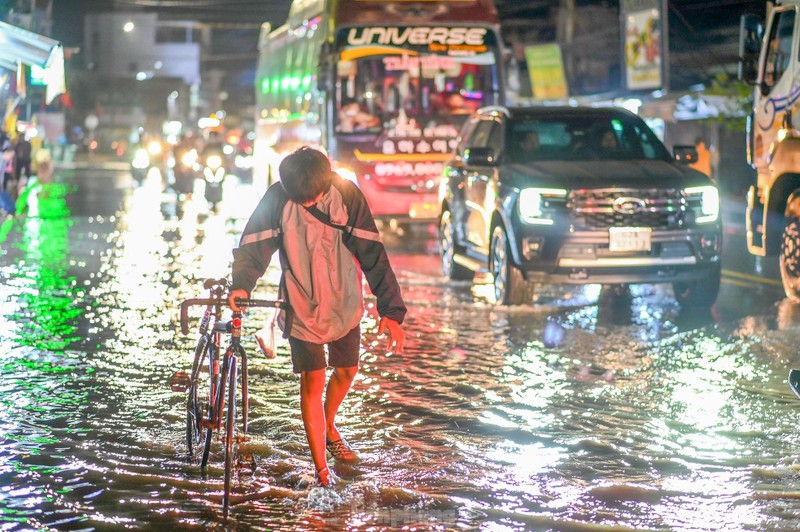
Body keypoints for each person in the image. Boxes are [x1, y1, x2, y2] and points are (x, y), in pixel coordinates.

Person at [227, 146, 407, 487]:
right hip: (300, 305)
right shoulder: (277, 198)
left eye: (313, 198)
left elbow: (372, 252)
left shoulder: (346, 195)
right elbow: (253, 247)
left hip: (344, 303)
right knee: (312, 380)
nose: (307, 203)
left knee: (347, 370)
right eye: (301, 199)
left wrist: (391, 310)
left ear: (325, 184)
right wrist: (241, 285)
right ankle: (322, 471)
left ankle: (328, 425)